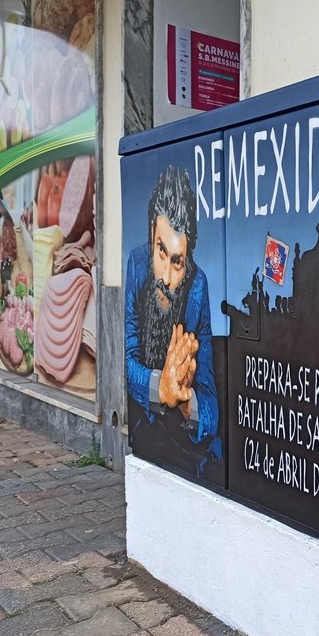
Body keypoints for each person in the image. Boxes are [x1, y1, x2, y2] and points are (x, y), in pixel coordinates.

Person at [125, 165, 221, 477]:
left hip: (185, 450)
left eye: (177, 261)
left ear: (189, 255)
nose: (166, 276)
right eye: (161, 251)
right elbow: (126, 360)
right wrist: (159, 387)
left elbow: (210, 406)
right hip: (145, 437)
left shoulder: (198, 286)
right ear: (151, 232)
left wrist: (183, 399)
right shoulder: (137, 266)